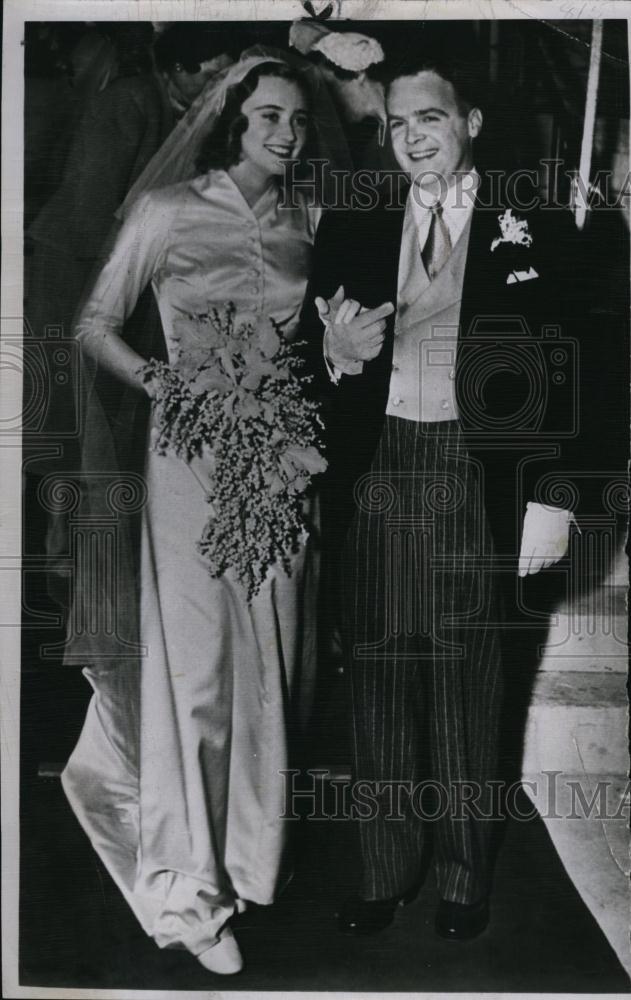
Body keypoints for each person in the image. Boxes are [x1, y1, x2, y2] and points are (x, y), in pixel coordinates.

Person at [301, 46, 585, 941]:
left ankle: (464, 877)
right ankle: (384, 872)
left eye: (428, 118)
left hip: (476, 471)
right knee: (379, 673)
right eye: (394, 124)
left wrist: (553, 497)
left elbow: (580, 371)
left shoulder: (536, 223)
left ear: (467, 124)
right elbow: (311, 361)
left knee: (467, 679)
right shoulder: (353, 223)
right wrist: (335, 361)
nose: (411, 138)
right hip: (382, 463)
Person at [60, 54, 329, 975]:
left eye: (296, 118)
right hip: (186, 465)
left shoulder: (308, 220)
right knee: (197, 676)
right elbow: (92, 323)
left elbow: (318, 342)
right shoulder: (167, 210)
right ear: (230, 122)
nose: (284, 133)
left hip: (281, 464)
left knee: (274, 672)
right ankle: (188, 890)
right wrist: (163, 382)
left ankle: (252, 860)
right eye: (266, 116)